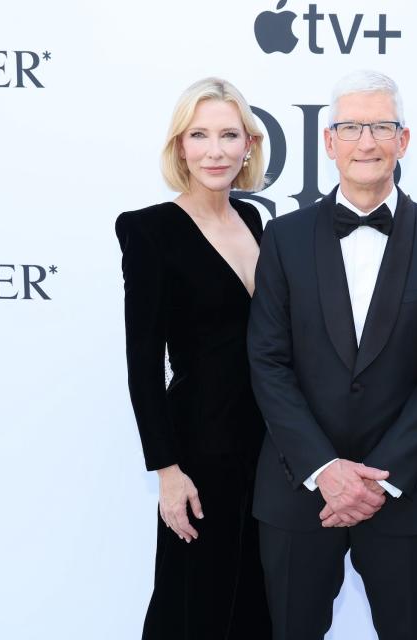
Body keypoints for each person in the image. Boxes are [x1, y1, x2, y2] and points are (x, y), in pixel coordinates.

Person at [247, 70, 417, 640]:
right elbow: (268, 361)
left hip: (406, 495)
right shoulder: (284, 237)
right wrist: (325, 471)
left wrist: (376, 479)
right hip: (298, 493)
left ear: (404, 140)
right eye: (351, 127)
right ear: (328, 142)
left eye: (380, 127)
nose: (366, 142)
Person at [115, 77, 271, 639]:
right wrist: (168, 471)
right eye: (199, 135)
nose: (215, 150)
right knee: (193, 606)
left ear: (249, 144)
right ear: (180, 146)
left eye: (229, 135)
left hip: (266, 447)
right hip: (200, 451)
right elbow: (142, 364)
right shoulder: (149, 230)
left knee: (255, 604)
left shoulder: (254, 223)